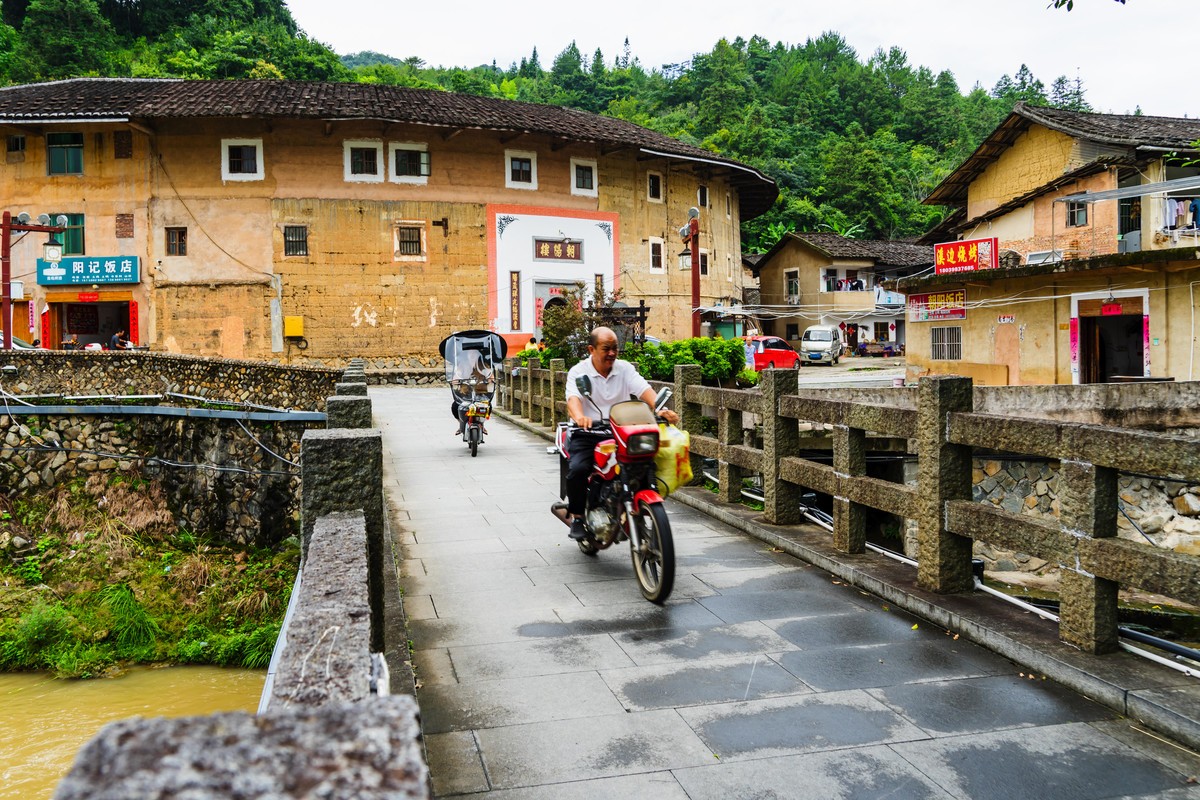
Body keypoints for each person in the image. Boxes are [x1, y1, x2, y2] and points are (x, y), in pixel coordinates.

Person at [563, 327, 678, 541]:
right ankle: (578, 515)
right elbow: (573, 399)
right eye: (606, 348)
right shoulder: (579, 372)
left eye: (615, 348)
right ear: (592, 349)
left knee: (645, 463)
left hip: (621, 431)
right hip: (588, 432)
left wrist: (659, 409)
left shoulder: (624, 369)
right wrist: (580, 417)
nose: (612, 353)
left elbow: (644, 389)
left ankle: (637, 505)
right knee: (578, 469)